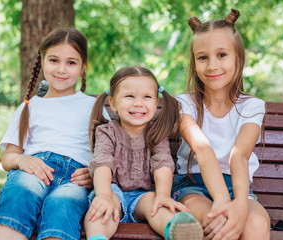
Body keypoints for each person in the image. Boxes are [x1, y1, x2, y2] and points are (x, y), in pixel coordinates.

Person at [0, 27, 104, 240]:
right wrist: (22, 160)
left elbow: (110, 151)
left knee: (62, 204)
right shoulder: (29, 107)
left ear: (83, 67)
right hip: (34, 171)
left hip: (75, 180)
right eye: (53, 60)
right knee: (20, 192)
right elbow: (8, 158)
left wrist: (95, 174)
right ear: (42, 61)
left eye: (71, 62)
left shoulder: (94, 106)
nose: (61, 69)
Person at [172, 9, 271, 240]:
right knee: (216, 221)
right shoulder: (184, 104)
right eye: (203, 57)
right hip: (192, 186)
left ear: (239, 57)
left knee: (255, 224)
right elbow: (203, 150)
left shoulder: (252, 106)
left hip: (237, 187)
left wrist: (239, 203)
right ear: (194, 61)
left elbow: (239, 156)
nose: (212, 65)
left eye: (222, 55)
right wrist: (223, 202)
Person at [84, 66, 204, 240]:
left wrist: (163, 195)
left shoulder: (156, 134)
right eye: (129, 96)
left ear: (156, 103)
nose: (138, 103)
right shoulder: (107, 132)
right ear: (113, 103)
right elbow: (103, 163)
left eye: (147, 97)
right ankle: (97, 237)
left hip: (142, 196)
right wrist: (103, 195)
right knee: (103, 210)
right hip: (111, 190)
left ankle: (179, 230)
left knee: (156, 205)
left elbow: (162, 164)